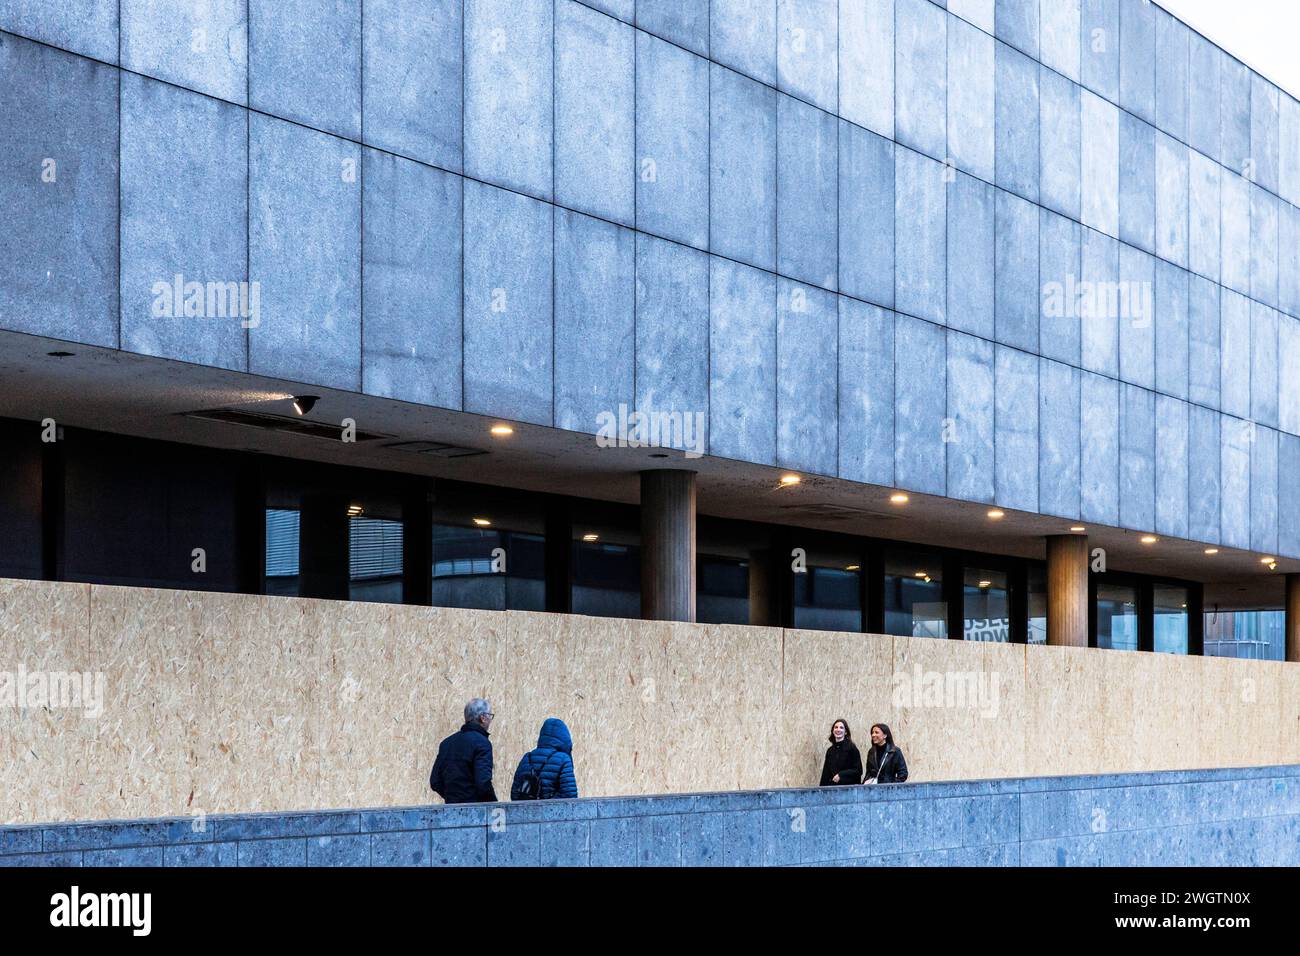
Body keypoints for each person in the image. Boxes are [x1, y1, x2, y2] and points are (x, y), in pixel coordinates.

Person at [429, 698, 497, 803]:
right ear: (483, 718)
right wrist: (493, 805)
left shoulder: (446, 743)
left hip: (450, 811)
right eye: (490, 716)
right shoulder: (482, 744)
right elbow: (483, 783)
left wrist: (453, 798)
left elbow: (435, 781)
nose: (490, 720)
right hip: (476, 812)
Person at [510, 717, 578, 800]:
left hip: (527, 812)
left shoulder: (527, 758)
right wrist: (545, 805)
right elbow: (570, 796)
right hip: (553, 812)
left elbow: (515, 794)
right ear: (565, 738)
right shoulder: (564, 760)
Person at [818, 718, 862, 786]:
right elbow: (825, 773)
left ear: (846, 732)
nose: (838, 729)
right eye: (836, 727)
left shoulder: (852, 748)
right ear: (833, 731)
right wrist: (821, 790)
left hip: (848, 789)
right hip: (832, 790)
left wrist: (841, 775)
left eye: (841, 728)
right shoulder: (830, 751)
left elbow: (858, 771)